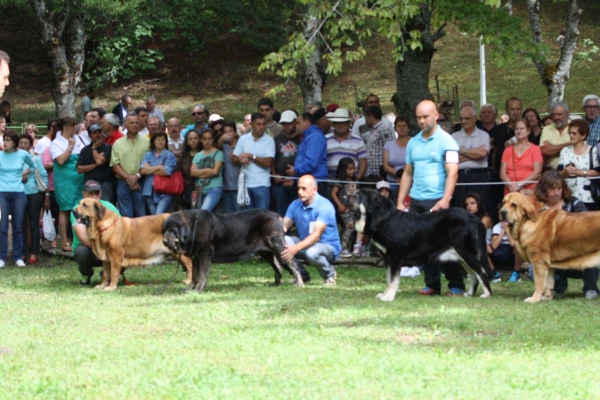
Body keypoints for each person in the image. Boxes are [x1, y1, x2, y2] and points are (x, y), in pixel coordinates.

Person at [396, 100, 465, 296]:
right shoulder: (413, 142)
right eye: (418, 117)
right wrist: (401, 202)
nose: (422, 121)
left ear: (436, 115)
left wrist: (445, 199)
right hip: (417, 200)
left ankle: (456, 285)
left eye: (425, 117)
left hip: (438, 201)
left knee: (443, 247)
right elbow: (408, 173)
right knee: (423, 247)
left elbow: (453, 173)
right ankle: (432, 285)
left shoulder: (447, 141)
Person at [532, 170, 600, 299]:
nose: (556, 192)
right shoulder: (537, 209)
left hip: (579, 254)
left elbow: (586, 229)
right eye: (552, 189)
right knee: (532, 269)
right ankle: (557, 288)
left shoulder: (575, 204)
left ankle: (590, 288)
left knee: (592, 253)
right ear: (543, 189)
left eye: (559, 188)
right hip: (555, 256)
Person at [71, 180, 134, 286]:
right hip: (90, 250)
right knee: (82, 252)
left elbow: (120, 228)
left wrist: (111, 248)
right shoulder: (78, 209)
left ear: (100, 193)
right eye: (91, 193)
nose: (94, 196)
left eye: (97, 193)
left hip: (108, 248)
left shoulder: (109, 207)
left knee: (125, 249)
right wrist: (104, 248)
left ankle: (108, 275)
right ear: (84, 194)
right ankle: (86, 274)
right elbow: (82, 237)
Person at [282, 175, 341, 286]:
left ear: (315, 189)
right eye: (298, 188)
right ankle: (302, 275)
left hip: (327, 246)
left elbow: (316, 236)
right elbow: (283, 227)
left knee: (312, 252)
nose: (300, 192)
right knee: (281, 241)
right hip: (305, 243)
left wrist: (295, 248)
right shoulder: (295, 204)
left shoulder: (324, 206)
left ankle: (330, 275)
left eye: (304, 188)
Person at [0, 130, 36, 268]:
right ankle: (1, 257)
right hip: (2, 193)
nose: (5, 142)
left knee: (18, 227)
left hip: (18, 194)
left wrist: (22, 173)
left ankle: (18, 257)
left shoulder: (22, 154)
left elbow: (32, 167)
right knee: (2, 227)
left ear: (14, 142)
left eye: (8, 140)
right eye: (4, 139)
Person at [50, 117, 86, 253]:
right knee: (65, 209)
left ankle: (80, 239)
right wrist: (70, 146)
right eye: (73, 125)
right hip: (65, 183)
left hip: (80, 181)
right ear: (65, 126)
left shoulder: (80, 139)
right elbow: (60, 161)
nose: (75, 127)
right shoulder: (56, 143)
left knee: (81, 209)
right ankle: (65, 240)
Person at [451, 106, 491, 211]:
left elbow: (482, 154)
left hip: (479, 176)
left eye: (467, 118)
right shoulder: (453, 137)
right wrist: (474, 154)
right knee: (460, 210)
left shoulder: (483, 135)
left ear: (475, 118)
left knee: (481, 208)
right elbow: (451, 159)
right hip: (460, 177)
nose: (463, 121)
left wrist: (461, 151)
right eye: (461, 118)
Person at [232, 113, 275, 209]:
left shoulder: (269, 140)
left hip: (262, 184)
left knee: (262, 217)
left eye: (264, 124)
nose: (262, 127)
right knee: (248, 220)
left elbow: (268, 162)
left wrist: (251, 156)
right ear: (251, 125)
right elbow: (234, 160)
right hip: (246, 184)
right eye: (258, 124)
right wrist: (241, 159)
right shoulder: (243, 139)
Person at [110, 114, 149, 217]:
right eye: (132, 123)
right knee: (126, 216)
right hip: (123, 182)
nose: (135, 125)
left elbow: (149, 162)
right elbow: (114, 164)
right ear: (125, 125)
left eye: (137, 122)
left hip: (141, 181)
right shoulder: (118, 143)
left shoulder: (147, 142)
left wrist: (137, 176)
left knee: (141, 214)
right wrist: (128, 178)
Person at [18, 134, 48, 264]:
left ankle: (34, 252)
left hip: (34, 194)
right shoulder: (15, 159)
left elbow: (43, 176)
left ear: (31, 145)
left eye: (26, 143)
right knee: (21, 224)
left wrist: (46, 195)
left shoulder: (35, 159)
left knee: (34, 224)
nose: (23, 146)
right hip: (18, 194)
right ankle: (23, 251)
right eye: (21, 143)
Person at [557, 120, 599, 210]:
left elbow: (598, 173)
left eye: (574, 133)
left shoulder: (593, 151)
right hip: (568, 197)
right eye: (570, 133)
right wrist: (565, 172)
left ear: (583, 135)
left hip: (588, 198)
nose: (571, 136)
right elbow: (557, 174)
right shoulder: (565, 151)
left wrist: (581, 172)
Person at [287, 111, 329, 194]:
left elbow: (311, 163)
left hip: (315, 181)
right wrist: (294, 178)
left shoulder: (315, 137)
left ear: (306, 122)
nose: (296, 126)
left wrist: (295, 170)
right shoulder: (308, 136)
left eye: (298, 123)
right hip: (308, 180)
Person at [500, 118, 543, 196]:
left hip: (529, 191)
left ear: (528, 131)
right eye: (516, 129)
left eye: (522, 129)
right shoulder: (507, 150)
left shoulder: (535, 149)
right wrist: (511, 185)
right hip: (511, 191)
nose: (519, 131)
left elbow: (537, 172)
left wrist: (519, 185)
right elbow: (502, 173)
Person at [331, 158, 364, 258]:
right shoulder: (340, 181)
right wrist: (340, 205)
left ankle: (350, 248)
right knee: (349, 226)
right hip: (345, 209)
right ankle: (343, 249)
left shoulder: (356, 180)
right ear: (343, 169)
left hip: (355, 209)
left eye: (354, 168)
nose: (352, 171)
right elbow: (333, 193)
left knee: (352, 228)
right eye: (349, 169)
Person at [463, 192, 501, 282]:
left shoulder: (485, 218)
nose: (469, 206)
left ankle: (494, 273)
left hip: (487, 245)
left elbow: (476, 232)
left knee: (478, 246)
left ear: (478, 204)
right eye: (467, 204)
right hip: (473, 242)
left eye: (472, 203)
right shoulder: (466, 218)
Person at [271, 110, 301, 216]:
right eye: (284, 124)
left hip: (298, 181)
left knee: (298, 212)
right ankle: (284, 232)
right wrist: (274, 174)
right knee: (281, 212)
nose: (286, 126)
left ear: (295, 122)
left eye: (289, 123)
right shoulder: (277, 139)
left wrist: (295, 177)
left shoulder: (302, 139)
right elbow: (272, 159)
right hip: (280, 181)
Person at [139, 132, 178, 214]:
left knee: (158, 215)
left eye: (163, 139)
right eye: (158, 139)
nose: (160, 142)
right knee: (154, 219)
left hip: (165, 191)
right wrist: (158, 167)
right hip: (149, 191)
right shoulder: (148, 155)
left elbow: (167, 172)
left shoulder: (169, 155)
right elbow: (142, 170)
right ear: (153, 141)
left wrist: (149, 168)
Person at [76, 123, 115, 203]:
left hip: (105, 183)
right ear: (89, 135)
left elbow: (99, 161)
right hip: (89, 184)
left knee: (106, 207)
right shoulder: (84, 150)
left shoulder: (107, 147)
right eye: (94, 133)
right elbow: (79, 169)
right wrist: (95, 165)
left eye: (99, 132)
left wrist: (94, 148)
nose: (98, 135)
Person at [325, 108, 367, 180]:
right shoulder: (325, 139)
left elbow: (363, 162)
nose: (340, 125)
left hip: (351, 181)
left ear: (348, 123)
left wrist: (357, 179)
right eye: (337, 123)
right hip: (330, 181)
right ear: (334, 124)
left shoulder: (358, 140)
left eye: (343, 122)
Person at [190, 128, 224, 211]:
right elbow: (192, 172)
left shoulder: (218, 153)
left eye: (209, 139)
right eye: (204, 139)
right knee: (197, 213)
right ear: (201, 140)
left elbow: (215, 172)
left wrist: (199, 173)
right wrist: (208, 170)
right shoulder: (198, 155)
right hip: (199, 189)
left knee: (203, 212)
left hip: (214, 188)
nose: (207, 141)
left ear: (213, 139)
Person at [383, 116, 410, 204]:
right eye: (399, 126)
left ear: (408, 128)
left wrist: (405, 173)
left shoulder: (415, 142)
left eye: (404, 126)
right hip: (393, 182)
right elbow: (385, 165)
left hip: (411, 182)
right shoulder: (388, 144)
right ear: (395, 128)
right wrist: (397, 173)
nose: (401, 128)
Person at [362, 106, 395, 178]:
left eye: (366, 118)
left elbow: (390, 151)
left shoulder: (384, 129)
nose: (365, 121)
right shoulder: (373, 131)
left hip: (380, 174)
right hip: (371, 173)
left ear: (371, 116)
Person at [217, 121, 242, 213]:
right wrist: (221, 139)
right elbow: (218, 145)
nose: (228, 134)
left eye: (230, 131)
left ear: (235, 133)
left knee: (239, 215)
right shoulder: (223, 146)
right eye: (225, 132)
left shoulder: (241, 145)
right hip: (226, 187)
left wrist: (236, 157)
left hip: (239, 187)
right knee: (228, 215)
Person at [540, 101, 571, 170]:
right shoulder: (546, 129)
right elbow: (544, 151)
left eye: (559, 114)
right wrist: (568, 144)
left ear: (567, 114)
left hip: (571, 170)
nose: (556, 117)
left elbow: (578, 151)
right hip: (550, 171)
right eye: (553, 114)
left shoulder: (575, 128)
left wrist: (552, 148)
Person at [179, 130, 203, 210]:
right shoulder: (183, 157)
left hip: (202, 187)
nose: (193, 141)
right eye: (190, 139)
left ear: (199, 140)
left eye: (196, 138)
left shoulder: (205, 154)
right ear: (187, 142)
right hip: (187, 190)